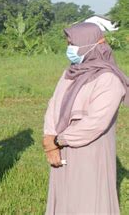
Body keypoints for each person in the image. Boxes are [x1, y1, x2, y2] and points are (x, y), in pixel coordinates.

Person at [42, 22, 128, 214]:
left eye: (72, 44)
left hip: (90, 150)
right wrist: (49, 138)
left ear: (90, 45)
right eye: (68, 44)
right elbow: (54, 104)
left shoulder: (109, 79)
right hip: (62, 148)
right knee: (64, 197)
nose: (69, 49)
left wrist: (58, 140)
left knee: (89, 199)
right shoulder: (70, 73)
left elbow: (95, 123)